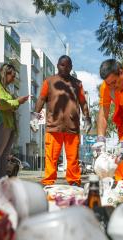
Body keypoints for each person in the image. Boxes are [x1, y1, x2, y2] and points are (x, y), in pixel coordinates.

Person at [32, 55, 91, 186]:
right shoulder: (49, 81)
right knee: (51, 157)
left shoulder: (77, 84)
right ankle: (48, 182)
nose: (65, 67)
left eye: (68, 65)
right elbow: (41, 99)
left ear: (71, 67)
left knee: (73, 158)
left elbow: (83, 102)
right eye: (62, 64)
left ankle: (74, 181)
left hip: (72, 126)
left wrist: (87, 118)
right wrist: (35, 116)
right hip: (54, 126)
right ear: (57, 65)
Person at [0, 64, 29, 190]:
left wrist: (16, 103)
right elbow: (2, 105)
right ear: (5, 73)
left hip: (9, 124)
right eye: (12, 75)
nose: (13, 78)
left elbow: (10, 105)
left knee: (4, 154)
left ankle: (2, 180)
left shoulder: (6, 89)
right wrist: (17, 102)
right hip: (2, 123)